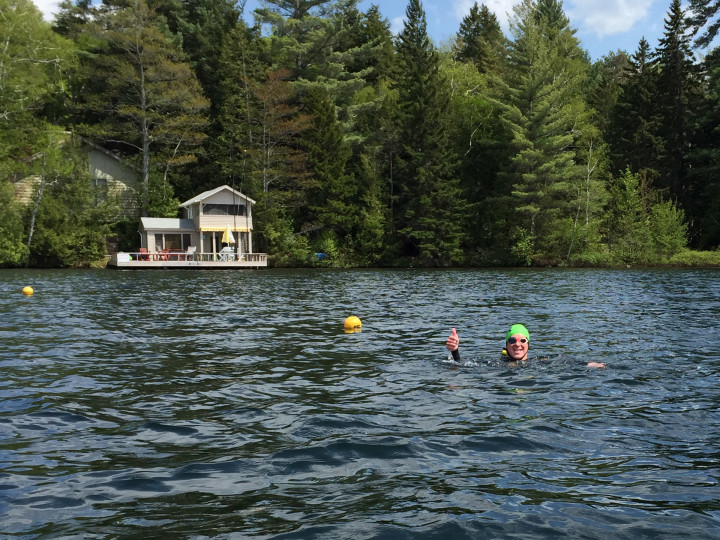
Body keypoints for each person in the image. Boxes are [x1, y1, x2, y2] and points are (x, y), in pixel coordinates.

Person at [446, 323, 606, 368]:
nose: (517, 344)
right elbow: (460, 365)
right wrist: (455, 351)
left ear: (528, 345)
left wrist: (590, 364)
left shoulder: (540, 362)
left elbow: (566, 360)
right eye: (512, 340)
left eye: (522, 341)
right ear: (506, 345)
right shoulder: (494, 365)